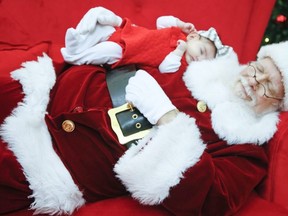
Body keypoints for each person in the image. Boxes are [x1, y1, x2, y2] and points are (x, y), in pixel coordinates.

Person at [0, 33, 287, 215]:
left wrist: (166, 117)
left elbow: (213, 199)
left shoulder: (249, 148)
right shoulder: (204, 61)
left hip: (60, 159)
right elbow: (147, 43)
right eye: (258, 69)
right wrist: (100, 42)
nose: (253, 81)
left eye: (268, 87)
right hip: (47, 86)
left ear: (278, 106)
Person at [61, 7, 232, 73]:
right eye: (201, 51)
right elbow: (160, 22)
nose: (199, 59)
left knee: (108, 50)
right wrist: (180, 24)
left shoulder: (179, 62)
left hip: (125, 52)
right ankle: (78, 40)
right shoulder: (178, 33)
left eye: (204, 61)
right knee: (98, 13)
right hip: (126, 30)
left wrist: (179, 51)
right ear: (193, 37)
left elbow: (165, 68)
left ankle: (74, 55)